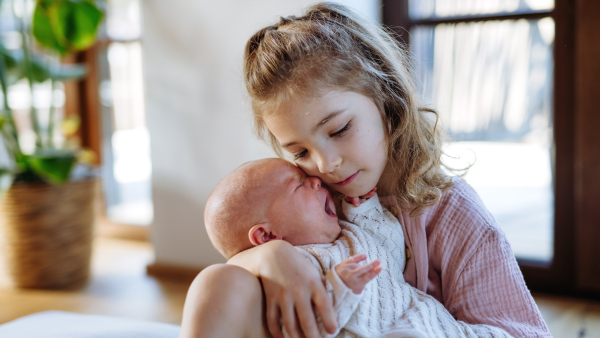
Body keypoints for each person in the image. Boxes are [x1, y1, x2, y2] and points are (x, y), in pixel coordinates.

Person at [179, 3, 551, 338]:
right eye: (299, 152)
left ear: (384, 97)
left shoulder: (452, 213)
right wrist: (271, 256)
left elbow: (523, 333)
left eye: (339, 130)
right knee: (216, 282)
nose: (325, 166)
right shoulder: (310, 207)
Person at [200, 157, 511, 338]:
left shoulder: (348, 228)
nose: (317, 182)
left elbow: (390, 251)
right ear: (267, 237)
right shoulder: (298, 267)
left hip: (429, 317)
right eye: (298, 184)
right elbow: (310, 323)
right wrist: (338, 287)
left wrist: (366, 211)